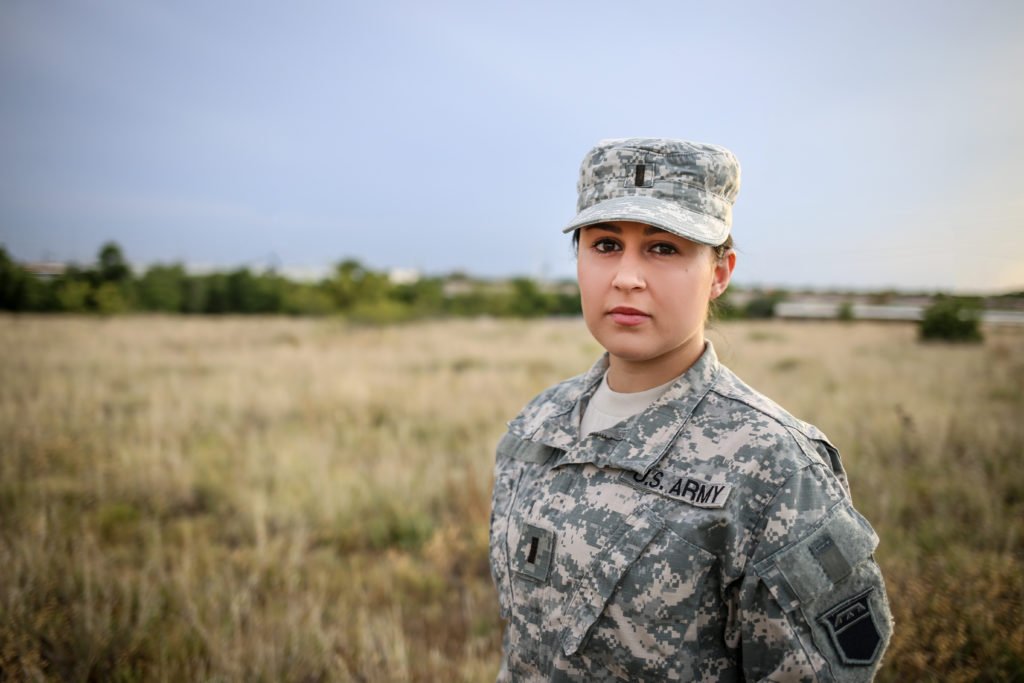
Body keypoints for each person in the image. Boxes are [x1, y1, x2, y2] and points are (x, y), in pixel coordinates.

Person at [489, 138, 893, 682]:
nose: (627, 277)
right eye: (606, 245)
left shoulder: (776, 470)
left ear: (720, 272)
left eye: (663, 248)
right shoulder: (536, 426)